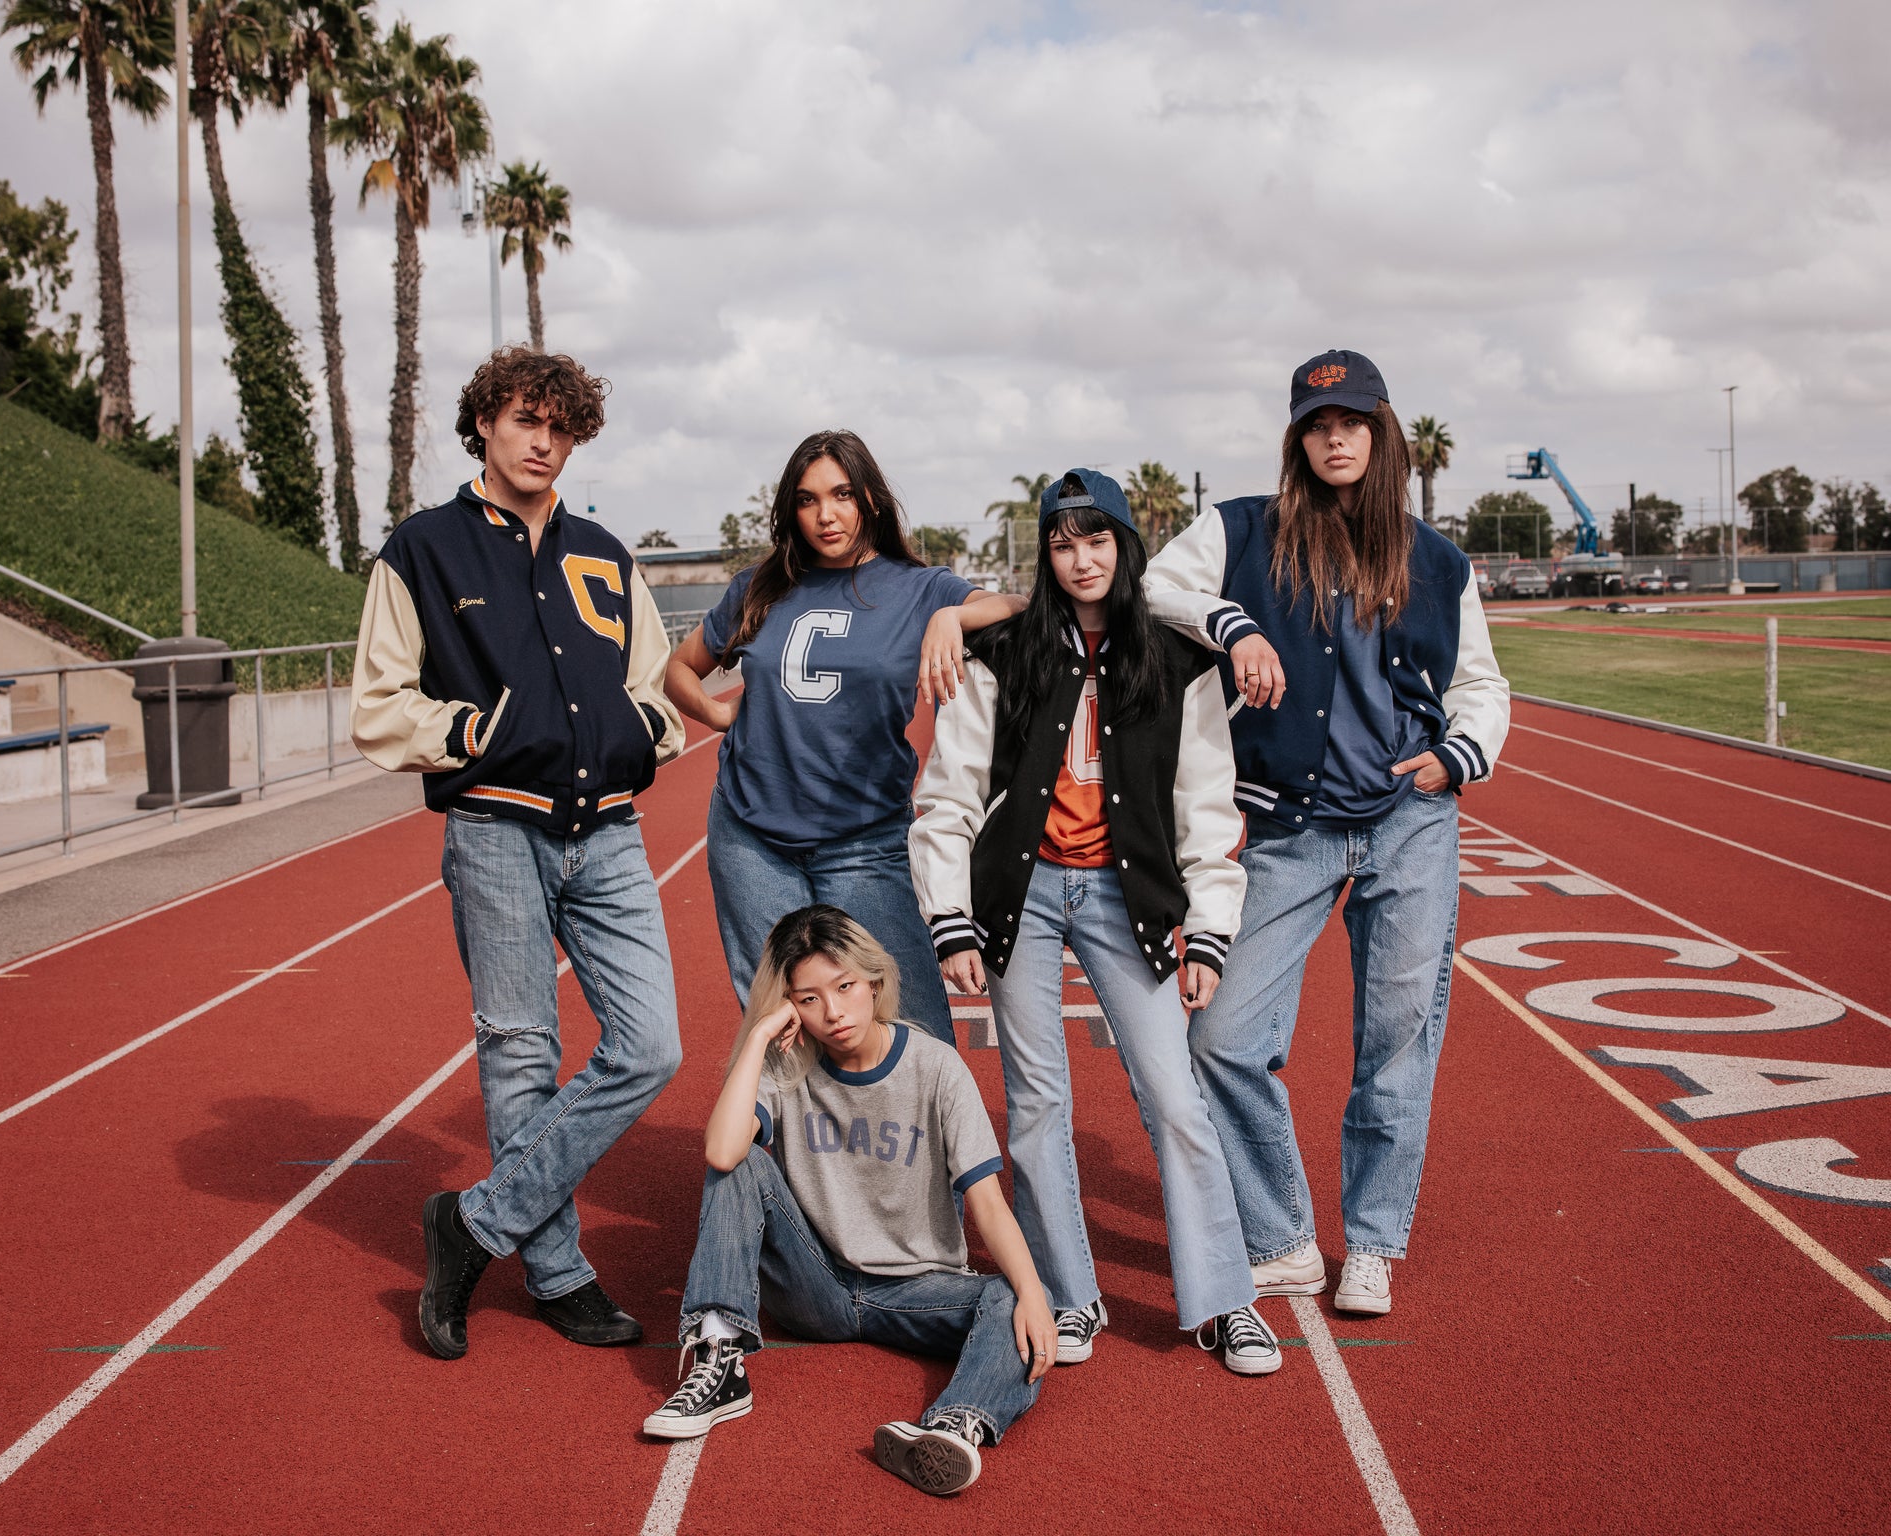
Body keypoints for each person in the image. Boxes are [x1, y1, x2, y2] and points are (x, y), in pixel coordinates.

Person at [1142, 349, 1510, 1315]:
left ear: (1382, 429)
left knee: (1396, 1042)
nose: (1334, 436)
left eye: (1351, 420)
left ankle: (1376, 1241)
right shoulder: (1241, 531)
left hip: (1409, 822)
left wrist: (1457, 756)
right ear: (1298, 437)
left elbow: (1480, 682)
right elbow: (1153, 588)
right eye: (1317, 422)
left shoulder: (1435, 557)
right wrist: (1235, 626)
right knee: (1222, 1035)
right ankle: (1286, 1239)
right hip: (1289, 828)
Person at [909, 469, 1283, 1377]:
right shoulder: (1002, 651)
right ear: (1045, 554)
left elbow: (1204, 806)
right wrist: (951, 921)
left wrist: (1211, 931)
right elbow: (949, 798)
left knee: (1174, 1096)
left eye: (1098, 540)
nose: (1081, 560)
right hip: (1022, 897)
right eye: (1063, 544)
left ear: (1125, 546)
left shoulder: (1175, 657)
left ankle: (1226, 1301)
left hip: (1131, 899)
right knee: (1037, 1103)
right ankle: (1072, 1297)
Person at [351, 346, 685, 1359]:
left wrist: (637, 732)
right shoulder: (425, 549)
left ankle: (474, 1223)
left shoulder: (604, 552)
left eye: (562, 426)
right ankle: (558, 1273)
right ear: (485, 426)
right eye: (526, 421)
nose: (545, 441)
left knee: (653, 1046)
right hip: (495, 829)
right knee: (519, 1056)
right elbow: (378, 707)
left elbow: (660, 691)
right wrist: (477, 734)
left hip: (611, 831)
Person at [642, 906, 1055, 1499]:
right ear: (788, 1006)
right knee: (739, 1163)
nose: (833, 1013)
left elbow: (988, 1205)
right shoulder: (786, 1062)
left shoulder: (936, 1067)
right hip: (816, 1286)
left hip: (917, 1289)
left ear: (874, 983)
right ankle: (718, 1360)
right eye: (807, 999)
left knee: (1012, 1297)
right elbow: (722, 1150)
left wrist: (1035, 1294)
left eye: (844, 987)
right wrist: (759, 1035)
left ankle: (953, 1426)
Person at [664, 430, 1023, 1045]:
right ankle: (779, 1147)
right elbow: (677, 669)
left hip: (866, 836)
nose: (825, 514)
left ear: (871, 501)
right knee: (780, 1031)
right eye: (807, 500)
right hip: (752, 837)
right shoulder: (759, 585)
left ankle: (937, 1145)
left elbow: (1019, 605)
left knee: (917, 1030)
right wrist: (719, 715)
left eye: (842, 495)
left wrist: (951, 616)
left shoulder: (921, 588)